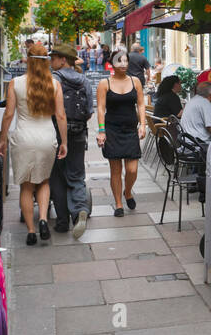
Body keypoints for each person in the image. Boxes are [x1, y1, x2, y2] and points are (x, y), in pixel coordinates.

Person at [0, 47, 66, 246]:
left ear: (28, 60)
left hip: (23, 138)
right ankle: (43, 219)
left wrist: (2, 139)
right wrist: (64, 142)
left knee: (26, 186)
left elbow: (9, 114)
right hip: (47, 137)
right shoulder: (54, 84)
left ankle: (30, 230)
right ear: (46, 61)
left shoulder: (15, 84)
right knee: (44, 181)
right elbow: (61, 116)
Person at [47, 42, 92, 238]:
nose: (51, 61)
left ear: (63, 60)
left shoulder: (53, 79)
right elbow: (90, 110)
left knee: (56, 175)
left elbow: (49, 108)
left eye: (54, 57)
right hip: (79, 132)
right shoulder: (84, 80)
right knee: (76, 174)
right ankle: (80, 209)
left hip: (57, 132)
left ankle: (62, 221)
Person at [96, 48, 147, 217]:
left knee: (132, 169)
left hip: (130, 129)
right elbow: (101, 108)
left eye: (126, 61)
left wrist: (143, 125)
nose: (124, 64)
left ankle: (128, 192)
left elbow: (140, 104)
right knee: (116, 170)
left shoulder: (135, 81)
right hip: (112, 130)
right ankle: (118, 203)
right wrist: (101, 131)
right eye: (120, 61)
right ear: (112, 64)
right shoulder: (105, 83)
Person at [181, 77, 211, 145]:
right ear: (210, 93)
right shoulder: (205, 102)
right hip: (198, 145)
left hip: (187, 142)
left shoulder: (192, 100)